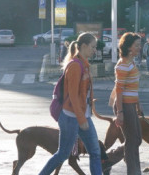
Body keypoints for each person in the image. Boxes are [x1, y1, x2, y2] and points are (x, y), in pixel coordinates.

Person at [39, 33, 102, 175]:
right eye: (92, 47)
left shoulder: (84, 65)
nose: (94, 50)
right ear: (84, 46)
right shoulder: (75, 66)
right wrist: (81, 119)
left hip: (82, 116)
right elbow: (73, 96)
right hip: (70, 117)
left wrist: (86, 113)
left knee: (95, 152)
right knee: (63, 154)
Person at [110, 33, 143, 175]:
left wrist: (138, 105)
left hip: (131, 105)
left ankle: (108, 160)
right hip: (124, 106)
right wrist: (120, 113)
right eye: (137, 45)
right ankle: (133, 171)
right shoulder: (123, 65)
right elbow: (119, 91)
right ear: (129, 47)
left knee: (136, 139)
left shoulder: (131, 62)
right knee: (132, 141)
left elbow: (133, 88)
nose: (139, 47)